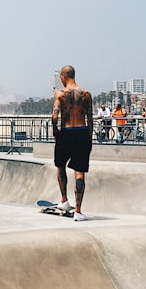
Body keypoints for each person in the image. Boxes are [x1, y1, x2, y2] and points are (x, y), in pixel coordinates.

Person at [51, 65, 93, 221]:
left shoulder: (60, 94)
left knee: (60, 166)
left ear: (63, 76)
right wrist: (89, 138)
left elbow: (55, 116)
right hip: (82, 133)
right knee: (79, 173)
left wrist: (55, 129)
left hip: (66, 133)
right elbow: (90, 119)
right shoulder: (86, 94)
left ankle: (64, 200)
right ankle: (78, 211)